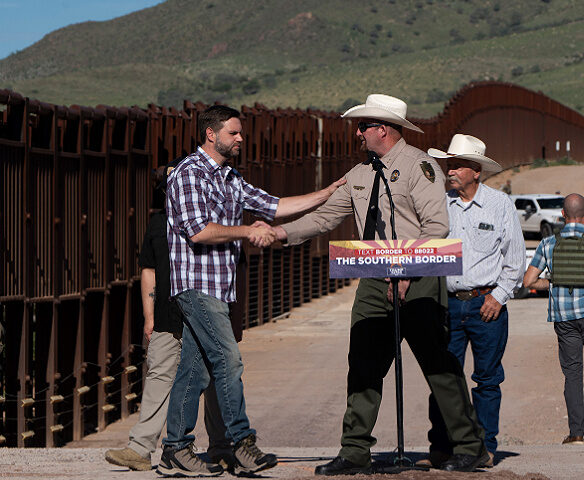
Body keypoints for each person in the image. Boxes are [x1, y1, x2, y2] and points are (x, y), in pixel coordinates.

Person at [271, 94, 488, 474]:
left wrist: (404, 272)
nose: (358, 133)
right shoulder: (359, 175)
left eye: (363, 126)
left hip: (419, 276)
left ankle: (470, 446)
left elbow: (436, 227)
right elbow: (323, 219)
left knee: (437, 363)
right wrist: (277, 233)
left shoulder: (421, 166)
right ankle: (355, 451)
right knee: (364, 364)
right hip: (373, 278)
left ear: (382, 130)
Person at [158, 105, 345, 477]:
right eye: (234, 133)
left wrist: (325, 194)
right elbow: (199, 231)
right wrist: (248, 231)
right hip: (197, 284)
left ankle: (176, 449)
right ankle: (242, 444)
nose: (241, 138)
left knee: (195, 371)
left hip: (221, 287)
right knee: (229, 360)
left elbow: (273, 206)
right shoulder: (188, 174)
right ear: (211, 134)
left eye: (240, 132)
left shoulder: (230, 177)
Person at [104, 159, 234, 473]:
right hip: (167, 315)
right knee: (159, 376)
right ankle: (140, 448)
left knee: (215, 380)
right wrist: (148, 317)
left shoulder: (214, 224)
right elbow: (148, 270)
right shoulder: (157, 224)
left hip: (206, 314)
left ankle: (221, 447)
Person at [426, 134, 526, 467]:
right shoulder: (440, 206)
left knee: (487, 379)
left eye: (457, 165)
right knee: (443, 377)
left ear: (476, 171)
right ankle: (442, 446)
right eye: (448, 165)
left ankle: (484, 447)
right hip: (449, 305)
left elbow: (514, 259)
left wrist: (499, 296)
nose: (450, 170)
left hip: (487, 305)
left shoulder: (500, 205)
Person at [523, 193, 584, 446]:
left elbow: (529, 282)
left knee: (572, 375)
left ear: (563, 215)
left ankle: (576, 434)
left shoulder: (548, 244)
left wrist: (555, 282)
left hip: (564, 320)